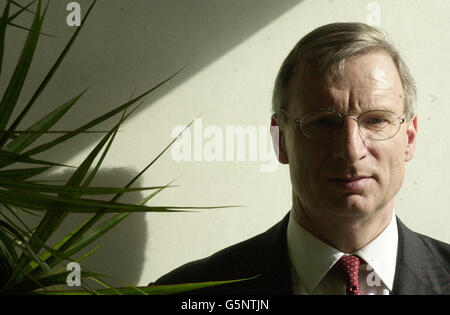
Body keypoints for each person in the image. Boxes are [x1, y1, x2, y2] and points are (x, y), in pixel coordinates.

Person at [153, 22, 450, 295]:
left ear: (409, 138)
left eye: (375, 120)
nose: (350, 149)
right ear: (280, 139)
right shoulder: (184, 293)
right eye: (322, 122)